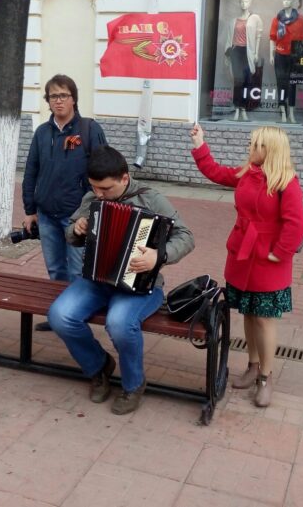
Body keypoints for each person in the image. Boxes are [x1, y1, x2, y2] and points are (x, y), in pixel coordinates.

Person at [47, 146, 195, 415]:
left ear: (124, 178)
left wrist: (158, 256)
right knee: (59, 316)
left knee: (119, 324)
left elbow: (186, 237)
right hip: (96, 279)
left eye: (105, 188)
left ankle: (133, 384)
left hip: (139, 285)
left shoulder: (151, 198)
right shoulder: (92, 197)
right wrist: (77, 229)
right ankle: (98, 366)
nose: (98, 194)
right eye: (94, 187)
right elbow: (71, 234)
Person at [189, 124, 303, 407]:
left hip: (268, 260)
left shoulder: (286, 182)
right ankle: (253, 366)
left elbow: (296, 224)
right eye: (252, 143)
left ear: (271, 149)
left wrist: (279, 253)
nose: (250, 148)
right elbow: (215, 172)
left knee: (265, 318)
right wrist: (200, 144)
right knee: (249, 314)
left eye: (256, 144)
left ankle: (265, 377)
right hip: (243, 254)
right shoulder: (247, 173)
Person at [21, 74, 106, 330]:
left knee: (78, 271)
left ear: (73, 99)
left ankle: (75, 319)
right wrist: (30, 210)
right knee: (56, 269)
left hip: (77, 217)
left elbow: (103, 172)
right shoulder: (42, 133)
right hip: (47, 215)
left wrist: (91, 213)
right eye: (53, 96)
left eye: (63, 95)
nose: (58, 101)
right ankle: (58, 316)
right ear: (48, 101)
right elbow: (31, 172)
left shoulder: (89, 130)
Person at [269, 0, 303, 125]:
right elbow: (272, 38)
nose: (285, 1)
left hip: (294, 56)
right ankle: (283, 112)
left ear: (293, 1)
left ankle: (291, 112)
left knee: (292, 84)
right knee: (281, 83)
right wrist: (271, 54)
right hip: (280, 55)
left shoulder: (300, 19)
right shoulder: (277, 19)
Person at [228, 0, 263, 122]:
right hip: (236, 51)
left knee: (247, 81)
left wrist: (256, 53)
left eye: (247, 1)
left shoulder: (255, 18)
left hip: (248, 52)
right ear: (239, 3)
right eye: (242, 1)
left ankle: (243, 109)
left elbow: (258, 36)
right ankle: (237, 108)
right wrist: (228, 53)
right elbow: (229, 38)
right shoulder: (234, 20)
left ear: (250, 3)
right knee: (238, 81)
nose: (244, 4)